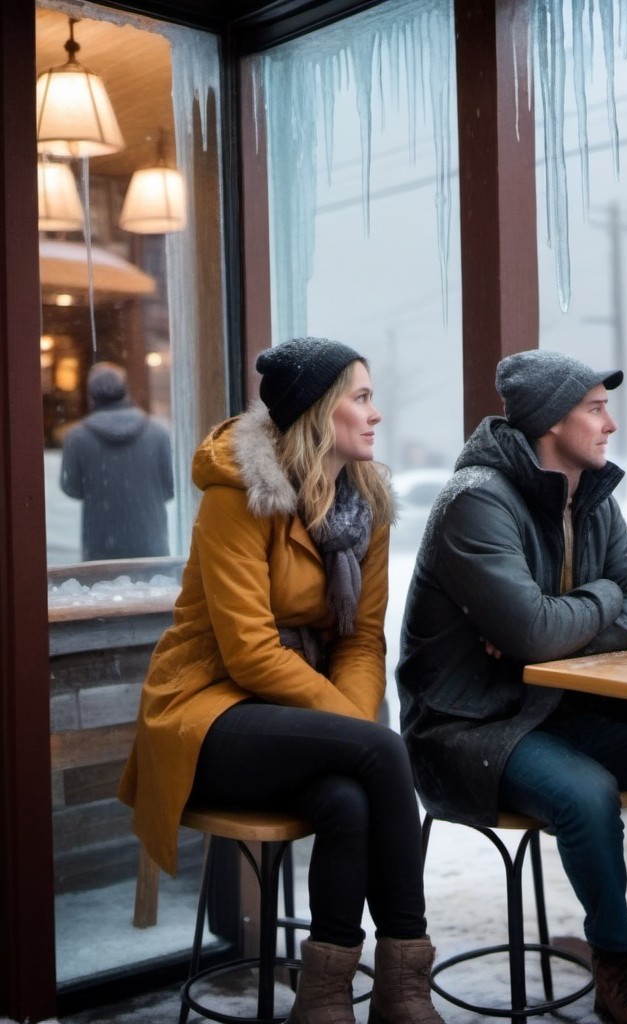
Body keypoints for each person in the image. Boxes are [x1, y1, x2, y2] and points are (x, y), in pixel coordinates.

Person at [396, 350, 627, 1024]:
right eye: (594, 409)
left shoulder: (590, 498)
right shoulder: (475, 502)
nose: (610, 424)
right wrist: (577, 609)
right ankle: (615, 964)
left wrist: (567, 615)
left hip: (559, 713)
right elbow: (536, 630)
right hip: (470, 726)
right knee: (588, 795)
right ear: (548, 423)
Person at [118, 337, 445, 1024]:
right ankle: (407, 981)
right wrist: (357, 731)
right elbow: (250, 653)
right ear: (321, 414)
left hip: (297, 721)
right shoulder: (237, 496)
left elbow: (360, 638)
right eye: (360, 398)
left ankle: (327, 995)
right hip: (206, 711)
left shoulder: (366, 507)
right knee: (379, 751)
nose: (375, 413)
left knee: (349, 800)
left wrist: (346, 729)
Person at [59, 361, 175, 561]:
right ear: (126, 392)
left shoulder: (77, 437)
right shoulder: (157, 433)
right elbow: (171, 487)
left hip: (100, 545)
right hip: (151, 543)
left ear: (91, 396)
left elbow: (71, 488)